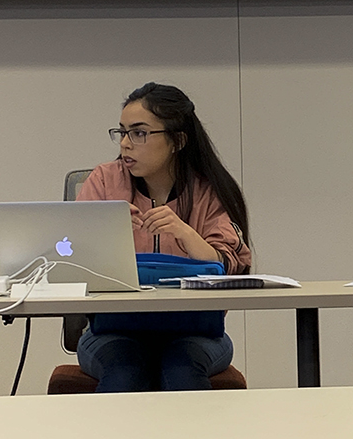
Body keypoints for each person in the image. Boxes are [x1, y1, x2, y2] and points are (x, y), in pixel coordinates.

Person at [75, 82, 251, 392]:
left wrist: (185, 233)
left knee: (182, 370)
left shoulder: (209, 190)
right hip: (110, 332)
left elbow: (232, 266)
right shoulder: (104, 181)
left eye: (139, 133)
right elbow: (70, 260)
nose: (125, 144)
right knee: (125, 372)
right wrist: (103, 233)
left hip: (197, 333)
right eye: (122, 132)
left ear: (177, 140)